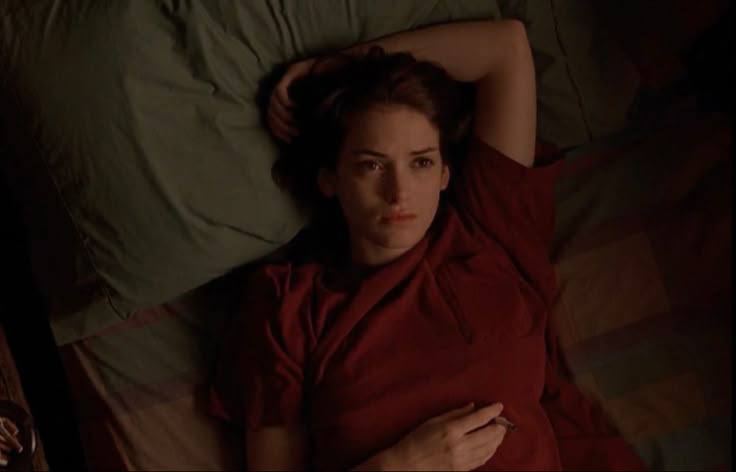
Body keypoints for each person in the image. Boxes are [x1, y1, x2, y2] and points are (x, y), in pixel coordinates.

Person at [209, 19, 649, 471]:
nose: (399, 193)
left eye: (420, 163)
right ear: (330, 180)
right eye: (371, 166)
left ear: (444, 174)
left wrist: (338, 66)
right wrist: (403, 465)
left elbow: (505, 48)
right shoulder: (287, 308)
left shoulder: (489, 227)